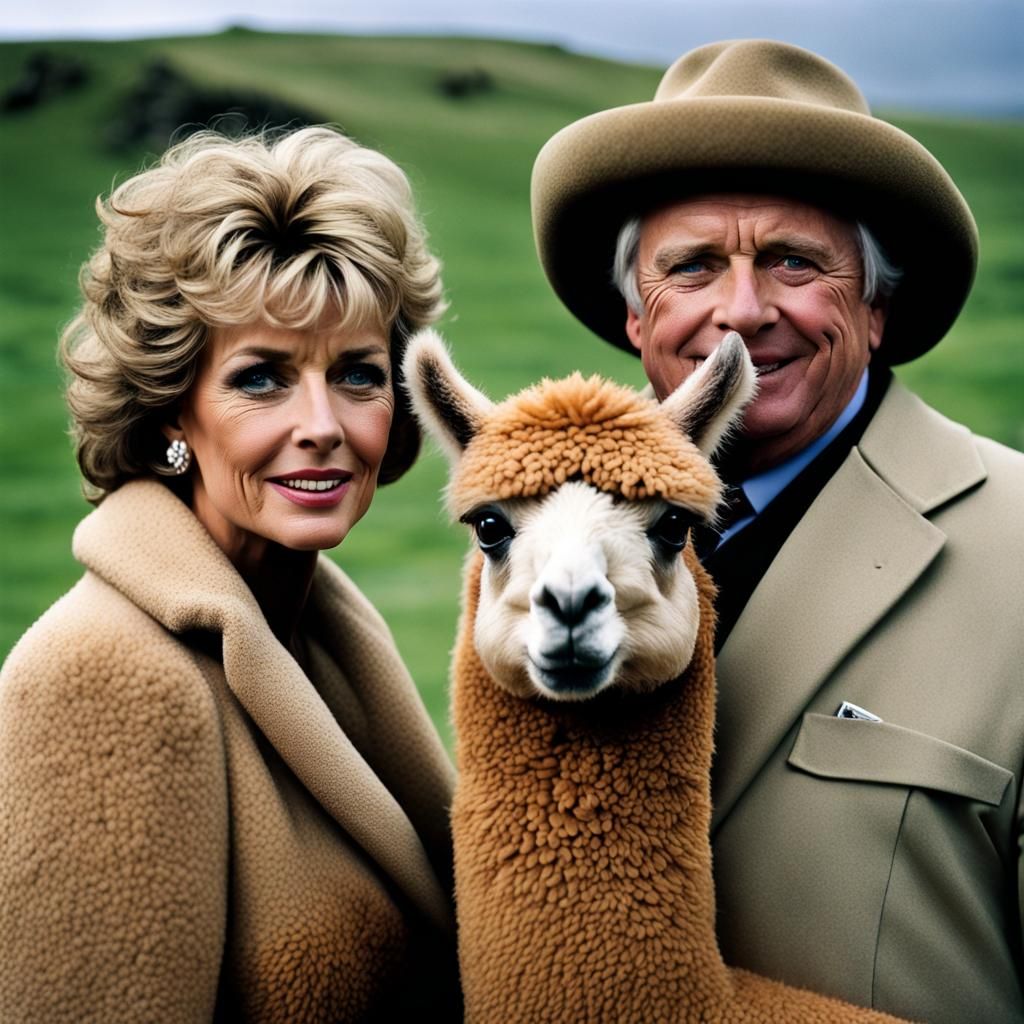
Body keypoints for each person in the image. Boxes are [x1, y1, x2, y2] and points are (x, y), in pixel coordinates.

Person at [530, 39, 1023, 1023]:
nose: (743, 311)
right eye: (693, 266)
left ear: (875, 307)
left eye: (794, 261)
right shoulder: (536, 541)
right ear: (635, 318)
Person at [0, 126, 460, 1021]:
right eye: (261, 379)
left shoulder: (321, 628)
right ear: (173, 408)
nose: (322, 423)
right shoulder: (104, 680)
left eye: (357, 375)